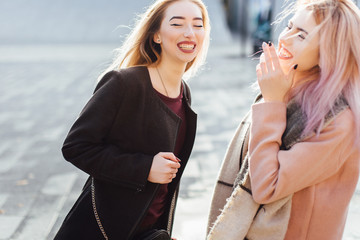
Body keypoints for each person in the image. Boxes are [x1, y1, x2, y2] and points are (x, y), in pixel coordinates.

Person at [54, 0, 210, 239]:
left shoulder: (183, 92)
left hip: (148, 232)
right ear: (157, 35)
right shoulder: (123, 83)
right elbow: (76, 147)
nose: (189, 33)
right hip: (100, 230)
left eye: (197, 25)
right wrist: (144, 168)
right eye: (177, 24)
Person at [207, 0, 360, 239]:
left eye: (301, 36)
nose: (285, 38)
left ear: (328, 52)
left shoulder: (339, 121)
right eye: (289, 27)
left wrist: (272, 103)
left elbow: (266, 187)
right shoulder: (286, 87)